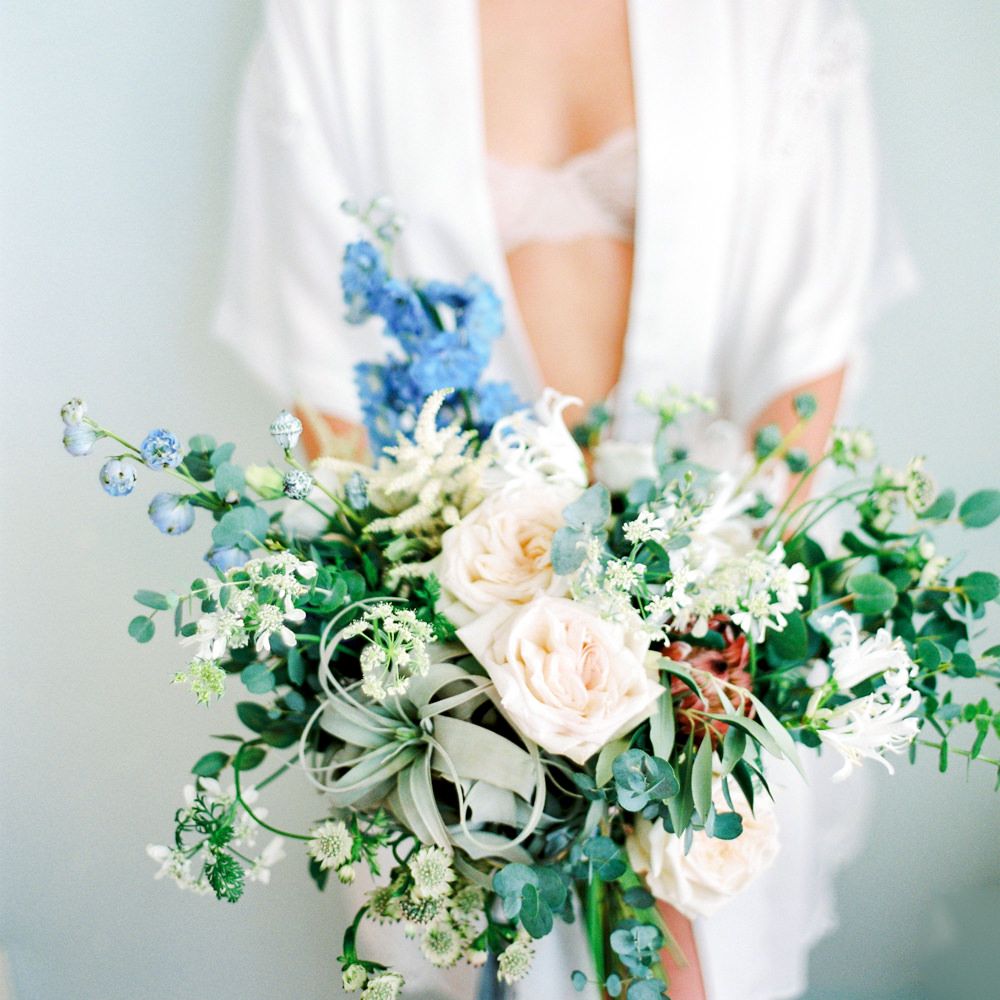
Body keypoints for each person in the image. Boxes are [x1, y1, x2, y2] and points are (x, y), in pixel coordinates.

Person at [214, 2, 915, 997]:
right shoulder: (338, 25)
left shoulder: (775, 19)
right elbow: (329, 387)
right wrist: (461, 636)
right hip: (444, 615)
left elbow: (805, 369)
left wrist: (693, 633)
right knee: (486, 949)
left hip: (727, 609)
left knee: (690, 951)